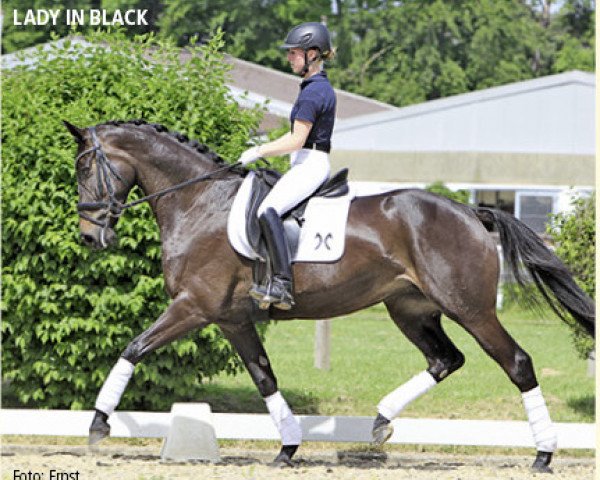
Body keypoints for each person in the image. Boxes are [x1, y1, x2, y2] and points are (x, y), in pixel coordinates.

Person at [238, 22, 337, 310]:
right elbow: (293, 136)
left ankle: (282, 283)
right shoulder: (312, 88)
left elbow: (297, 140)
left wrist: (258, 150)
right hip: (306, 162)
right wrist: (264, 145)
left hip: (311, 163)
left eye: (294, 53)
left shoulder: (314, 92)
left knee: (267, 210)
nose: (289, 58)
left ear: (313, 54)